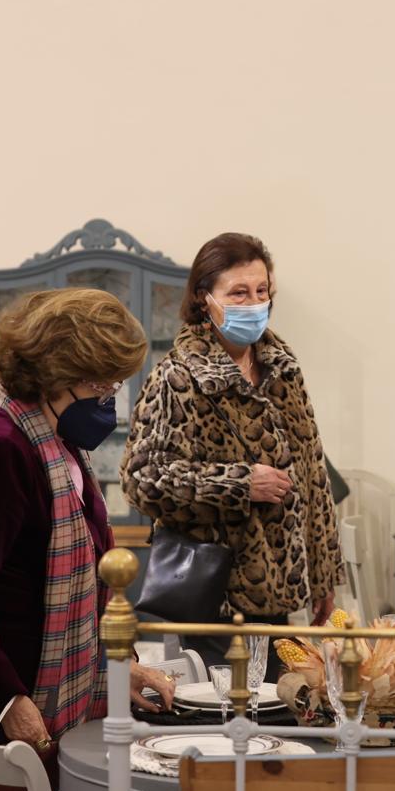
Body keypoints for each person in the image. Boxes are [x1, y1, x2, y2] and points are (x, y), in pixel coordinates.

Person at [0, 289, 172, 767]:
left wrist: (115, 669)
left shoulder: (55, 440)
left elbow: (84, 573)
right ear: (54, 376)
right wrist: (8, 702)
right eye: (99, 387)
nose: (109, 402)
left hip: (26, 694)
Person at [121, 232, 342, 671]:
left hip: (280, 597)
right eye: (238, 292)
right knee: (231, 728)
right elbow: (141, 477)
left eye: (261, 291)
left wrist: (323, 577)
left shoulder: (282, 366)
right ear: (205, 298)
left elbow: (313, 479)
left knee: (285, 725)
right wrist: (241, 484)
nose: (253, 302)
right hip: (214, 595)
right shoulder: (179, 376)